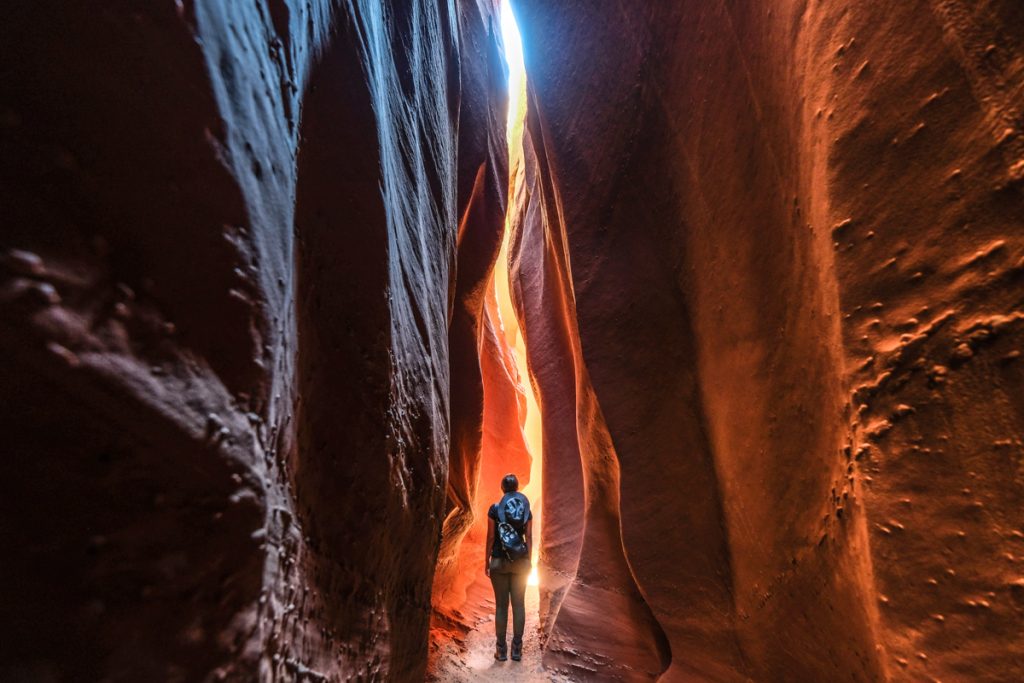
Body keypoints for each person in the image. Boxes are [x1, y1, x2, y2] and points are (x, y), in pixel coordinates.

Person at [485, 473, 532, 662]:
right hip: (521, 561)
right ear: (517, 488)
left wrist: (486, 560)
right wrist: (528, 559)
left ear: (502, 489)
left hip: (499, 561)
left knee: (501, 606)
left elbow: (490, 537)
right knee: (519, 604)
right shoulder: (526, 510)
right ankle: (517, 650)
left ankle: (501, 650)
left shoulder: (495, 509)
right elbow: (529, 537)